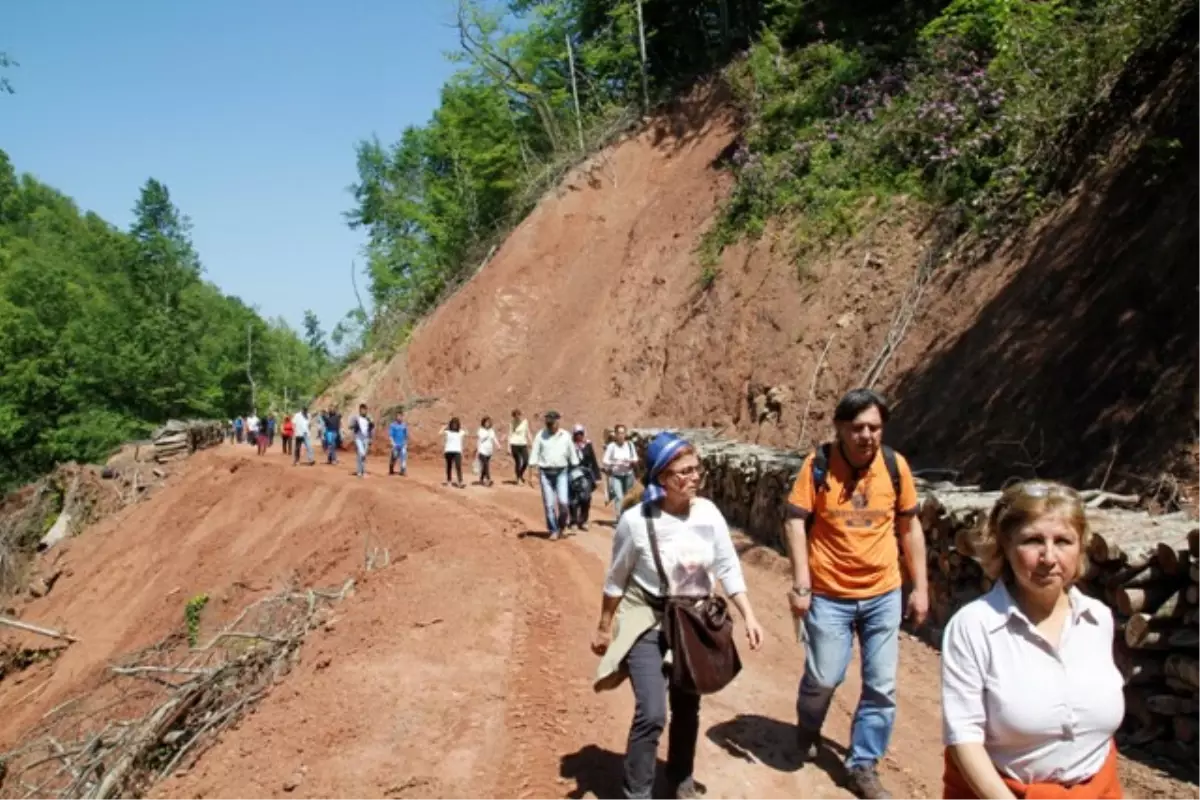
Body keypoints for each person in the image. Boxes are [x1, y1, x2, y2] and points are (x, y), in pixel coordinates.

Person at [592, 431, 765, 800]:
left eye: (695, 469)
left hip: (692, 620)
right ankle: (636, 792)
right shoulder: (636, 522)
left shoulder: (708, 514)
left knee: (688, 705)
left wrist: (748, 615)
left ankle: (681, 778)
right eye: (682, 472)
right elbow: (616, 579)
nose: (694, 477)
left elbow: (727, 565)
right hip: (648, 619)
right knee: (653, 713)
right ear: (661, 479)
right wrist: (605, 627)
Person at [783, 388, 928, 800]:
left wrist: (919, 587)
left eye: (875, 427)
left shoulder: (894, 466)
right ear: (841, 428)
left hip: (884, 592)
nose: (867, 435)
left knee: (881, 685)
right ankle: (808, 725)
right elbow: (795, 523)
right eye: (858, 427)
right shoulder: (819, 464)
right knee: (825, 675)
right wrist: (801, 584)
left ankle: (862, 765)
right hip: (829, 593)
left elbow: (909, 527)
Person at [941, 481, 1124, 799]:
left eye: (1064, 541)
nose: (1049, 557)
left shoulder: (1098, 619)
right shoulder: (974, 627)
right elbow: (963, 739)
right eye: (1033, 541)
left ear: (1080, 547)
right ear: (1004, 547)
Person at [530, 410, 578, 540]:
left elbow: (572, 453)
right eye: (548, 423)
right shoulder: (541, 435)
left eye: (552, 423)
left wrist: (575, 464)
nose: (550, 426)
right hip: (545, 473)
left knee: (563, 502)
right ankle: (553, 529)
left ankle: (561, 525)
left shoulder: (565, 436)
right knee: (549, 504)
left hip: (561, 472)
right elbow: (534, 452)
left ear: (558, 422)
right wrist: (532, 470)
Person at [568, 424, 601, 531]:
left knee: (586, 498)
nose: (579, 436)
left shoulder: (588, 444)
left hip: (586, 475)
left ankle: (583, 520)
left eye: (581, 433)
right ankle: (573, 521)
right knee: (573, 499)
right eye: (577, 434)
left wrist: (597, 476)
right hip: (573, 474)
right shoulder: (570, 445)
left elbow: (593, 460)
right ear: (573, 434)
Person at [603, 424, 639, 512]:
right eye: (619, 433)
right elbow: (605, 460)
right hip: (616, 476)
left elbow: (635, 458)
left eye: (623, 433)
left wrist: (631, 461)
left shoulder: (630, 445)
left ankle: (627, 518)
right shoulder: (611, 446)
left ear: (625, 434)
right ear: (615, 434)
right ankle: (619, 519)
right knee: (619, 497)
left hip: (628, 475)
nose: (621, 435)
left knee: (628, 498)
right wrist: (615, 463)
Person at [349, 403, 374, 478]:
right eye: (362, 410)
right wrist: (354, 426)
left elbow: (371, 429)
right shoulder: (356, 418)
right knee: (362, 453)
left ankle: (361, 471)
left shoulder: (369, 419)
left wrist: (371, 438)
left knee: (363, 456)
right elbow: (350, 426)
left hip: (366, 438)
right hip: (358, 438)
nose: (363, 411)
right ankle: (360, 471)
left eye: (365, 410)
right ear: (359, 410)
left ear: (366, 410)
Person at [441, 417, 466, 488]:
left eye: (456, 424)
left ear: (458, 425)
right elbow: (439, 433)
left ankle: (460, 482)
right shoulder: (447, 432)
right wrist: (444, 427)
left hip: (457, 451)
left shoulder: (461, 432)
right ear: (451, 424)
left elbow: (467, 432)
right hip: (448, 451)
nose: (454, 425)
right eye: (453, 424)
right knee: (449, 466)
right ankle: (449, 481)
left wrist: (463, 426)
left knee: (458, 466)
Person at [509, 409, 531, 485]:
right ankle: (518, 479)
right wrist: (508, 447)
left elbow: (528, 432)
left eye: (518, 415)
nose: (517, 417)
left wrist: (531, 441)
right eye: (515, 416)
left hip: (523, 444)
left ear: (520, 414)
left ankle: (520, 474)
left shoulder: (525, 422)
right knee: (518, 462)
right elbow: (510, 435)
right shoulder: (512, 423)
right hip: (514, 444)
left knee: (526, 461)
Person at [475, 416, 499, 487]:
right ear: (483, 423)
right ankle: (488, 479)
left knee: (485, 466)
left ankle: (481, 479)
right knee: (486, 465)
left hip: (489, 451)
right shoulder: (480, 430)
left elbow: (494, 438)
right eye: (486, 422)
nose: (487, 424)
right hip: (482, 451)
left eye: (488, 422)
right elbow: (480, 440)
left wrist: (498, 445)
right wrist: (478, 451)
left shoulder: (491, 430)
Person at [389, 411, 409, 476]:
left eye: (401, 416)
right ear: (396, 417)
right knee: (394, 457)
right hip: (395, 445)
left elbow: (406, 436)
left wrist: (406, 443)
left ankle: (403, 470)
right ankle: (391, 467)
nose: (400, 417)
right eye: (398, 416)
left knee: (403, 456)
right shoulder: (392, 425)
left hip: (402, 445)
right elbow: (391, 435)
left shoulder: (404, 425)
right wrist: (392, 443)